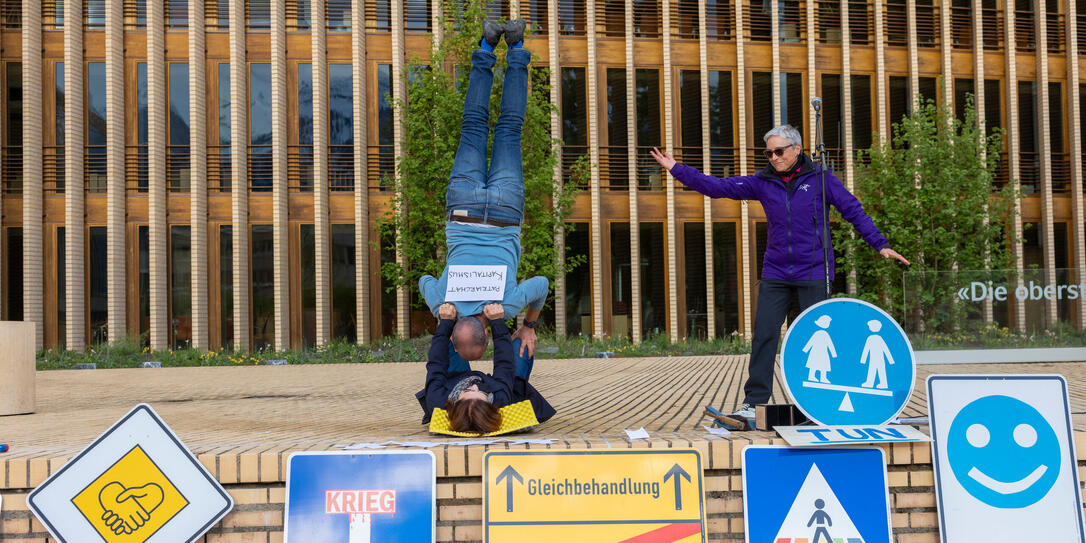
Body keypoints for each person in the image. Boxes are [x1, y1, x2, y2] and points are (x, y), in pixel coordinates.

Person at [650, 124, 910, 428]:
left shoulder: (821, 179)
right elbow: (717, 187)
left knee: (810, 338)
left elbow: (854, 211)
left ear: (797, 149)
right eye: (768, 152)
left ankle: (817, 403)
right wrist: (677, 169)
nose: (773, 157)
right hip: (775, 272)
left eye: (779, 151)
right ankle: (753, 403)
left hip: (814, 271)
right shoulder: (763, 183)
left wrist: (880, 244)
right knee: (765, 335)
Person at [418, 19, 546, 364]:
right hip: (463, 207)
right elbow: (424, 278)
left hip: (505, 212)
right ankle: (487, 46)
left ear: (488, 332)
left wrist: (529, 325)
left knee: (509, 129)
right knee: (472, 125)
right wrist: (440, 311)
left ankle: (517, 49)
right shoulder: (442, 301)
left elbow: (543, 284)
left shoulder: (507, 306)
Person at [415, 302, 556, 433]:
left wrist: (446, 323)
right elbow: (504, 364)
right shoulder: (501, 400)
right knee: (522, 344)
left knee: (456, 339)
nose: (475, 386)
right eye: (481, 393)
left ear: (453, 404)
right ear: (490, 403)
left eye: (467, 390)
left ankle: (456, 316)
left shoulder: (438, 401)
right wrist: (497, 321)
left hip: (454, 377)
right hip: (506, 383)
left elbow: (436, 363)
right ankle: (525, 331)